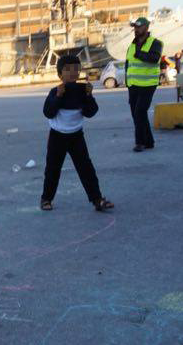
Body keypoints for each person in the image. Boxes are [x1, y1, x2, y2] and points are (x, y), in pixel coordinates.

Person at [40, 55, 115, 212]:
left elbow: (90, 112)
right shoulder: (55, 91)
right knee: (53, 169)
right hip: (57, 136)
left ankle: (97, 199)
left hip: (76, 136)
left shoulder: (82, 90)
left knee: (86, 168)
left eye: (76, 69)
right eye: (68, 70)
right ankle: (46, 199)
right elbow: (48, 112)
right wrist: (58, 97)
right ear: (60, 74)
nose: (72, 72)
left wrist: (89, 96)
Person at [125, 16, 163, 152]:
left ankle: (140, 142)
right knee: (137, 114)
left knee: (140, 112)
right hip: (133, 84)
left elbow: (154, 58)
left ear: (146, 28)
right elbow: (128, 64)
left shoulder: (156, 43)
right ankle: (149, 141)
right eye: (135, 27)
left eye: (139, 27)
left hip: (148, 84)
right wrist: (127, 82)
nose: (136, 29)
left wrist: (139, 54)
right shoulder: (132, 45)